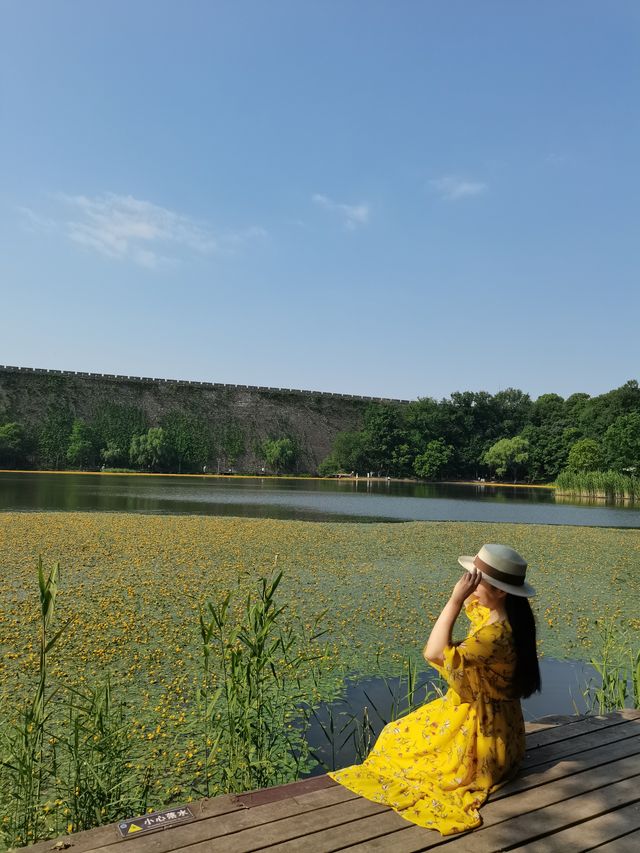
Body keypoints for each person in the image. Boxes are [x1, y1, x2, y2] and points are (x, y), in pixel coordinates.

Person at [327, 543, 541, 835]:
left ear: (501, 591)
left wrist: (454, 600)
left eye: (476, 580)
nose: (470, 585)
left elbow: (434, 652)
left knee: (396, 741)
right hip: (502, 730)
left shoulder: (495, 636)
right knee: (398, 734)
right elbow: (471, 613)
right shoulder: (507, 616)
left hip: (483, 737)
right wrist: (468, 595)